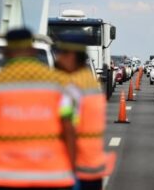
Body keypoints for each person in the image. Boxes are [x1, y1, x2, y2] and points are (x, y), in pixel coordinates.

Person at [0, 28, 76, 190]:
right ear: (32, 50)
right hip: (51, 176)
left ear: (6, 51)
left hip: (3, 178)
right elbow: (69, 130)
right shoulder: (60, 83)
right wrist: (73, 172)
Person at [52, 33, 116, 190]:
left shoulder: (70, 86)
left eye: (60, 54)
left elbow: (69, 130)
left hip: (74, 167)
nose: (57, 59)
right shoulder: (90, 83)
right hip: (93, 167)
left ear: (72, 56)